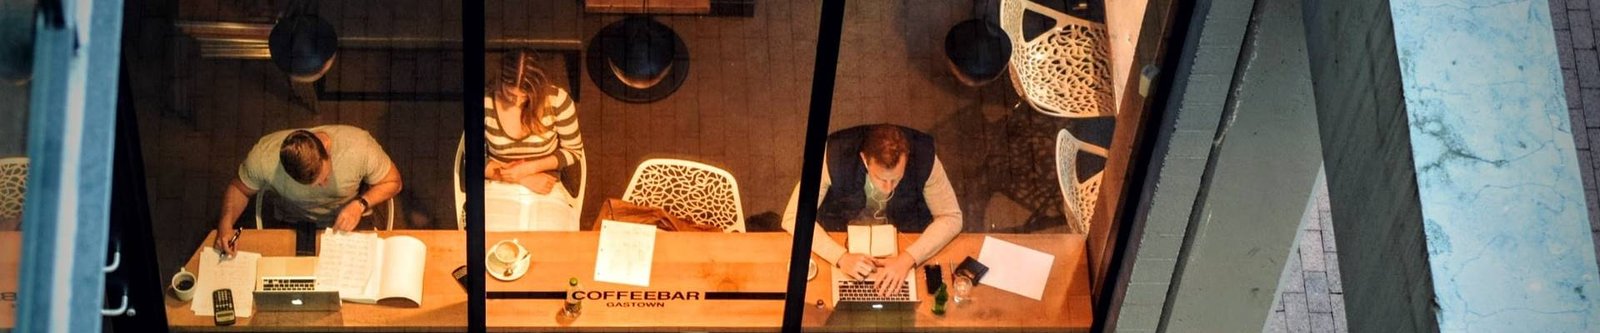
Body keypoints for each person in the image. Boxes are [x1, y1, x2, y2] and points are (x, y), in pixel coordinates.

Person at [782, 124, 963, 296]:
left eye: (896, 179)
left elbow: (951, 217)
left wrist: (907, 259)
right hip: (844, 228)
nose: (888, 188)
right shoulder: (833, 155)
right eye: (880, 178)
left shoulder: (925, 157)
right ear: (864, 159)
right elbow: (793, 217)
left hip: (902, 230)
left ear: (907, 158)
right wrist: (840, 258)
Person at [213, 125, 402, 256]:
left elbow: (394, 182)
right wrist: (225, 224)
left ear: (327, 150)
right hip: (294, 224)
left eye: (326, 177)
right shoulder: (263, 157)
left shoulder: (360, 148)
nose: (323, 186)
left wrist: (360, 204)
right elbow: (238, 189)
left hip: (350, 220)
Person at [483, 49, 584, 200]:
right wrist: (520, 178)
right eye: (510, 94)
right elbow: (471, 160)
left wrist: (529, 168)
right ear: (500, 81)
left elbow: (574, 151)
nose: (516, 103)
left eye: (525, 97)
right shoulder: (484, 103)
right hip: (497, 181)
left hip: (546, 181)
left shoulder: (557, 101)